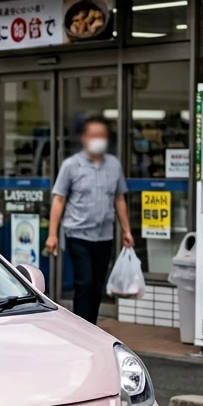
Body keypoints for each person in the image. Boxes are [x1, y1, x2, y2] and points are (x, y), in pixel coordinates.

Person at [45, 116, 133, 325]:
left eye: (102, 136)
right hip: (78, 234)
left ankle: (90, 325)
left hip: (104, 236)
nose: (98, 140)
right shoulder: (71, 165)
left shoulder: (113, 165)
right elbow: (59, 199)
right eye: (94, 136)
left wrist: (126, 230)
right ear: (84, 138)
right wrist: (52, 234)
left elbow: (119, 198)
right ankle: (82, 327)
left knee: (96, 285)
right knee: (84, 282)